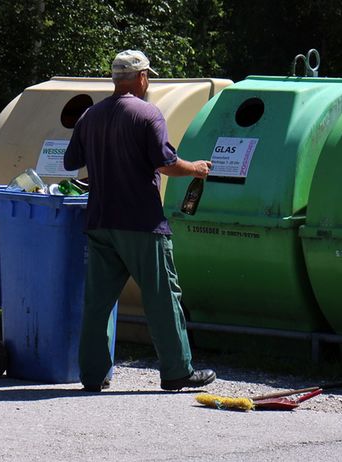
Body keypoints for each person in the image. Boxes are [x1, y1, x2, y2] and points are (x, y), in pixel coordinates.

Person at [64, 49, 215, 392]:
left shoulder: (90, 116)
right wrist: (196, 169)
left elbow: (73, 161)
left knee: (98, 303)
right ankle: (177, 371)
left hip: (101, 221)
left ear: (116, 79)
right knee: (162, 298)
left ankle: (92, 375)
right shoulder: (148, 114)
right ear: (143, 77)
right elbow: (165, 164)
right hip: (142, 224)